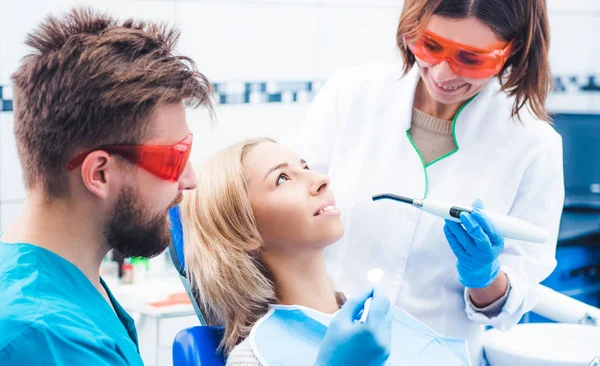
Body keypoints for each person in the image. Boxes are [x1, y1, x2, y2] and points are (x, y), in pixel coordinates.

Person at [291, 0, 564, 364]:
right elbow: (288, 216)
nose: (442, 74)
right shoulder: (352, 94)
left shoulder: (533, 145)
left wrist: (484, 276)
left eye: (472, 59)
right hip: (320, 344)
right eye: (430, 46)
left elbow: (510, 305)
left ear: (514, 49)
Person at [0, 7, 211, 364]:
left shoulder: (71, 282)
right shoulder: (45, 336)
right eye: (174, 159)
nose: (189, 179)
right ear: (98, 173)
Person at [178, 138, 470, 365]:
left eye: (304, 167)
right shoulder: (255, 356)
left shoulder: (371, 322)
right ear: (245, 231)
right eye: (282, 178)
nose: (321, 179)